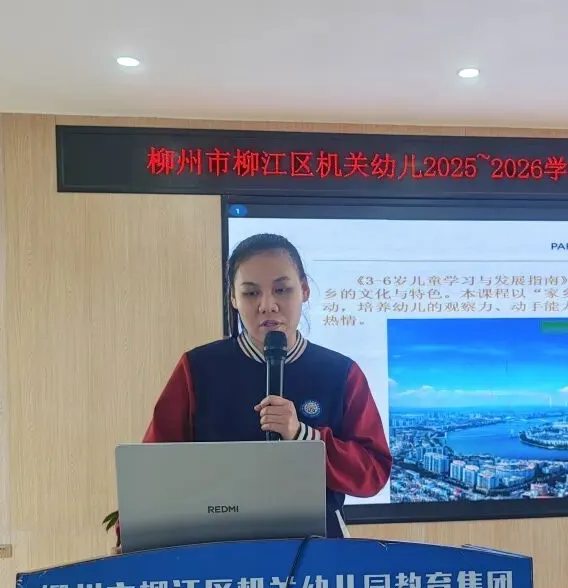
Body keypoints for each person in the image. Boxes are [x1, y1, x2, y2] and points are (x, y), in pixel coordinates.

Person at [114, 233, 392, 547]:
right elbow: (154, 468)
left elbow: (373, 473)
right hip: (215, 550)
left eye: (282, 290)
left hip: (315, 553)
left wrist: (302, 436)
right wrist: (130, 537)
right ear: (233, 299)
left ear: (304, 290)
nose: (267, 306)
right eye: (250, 293)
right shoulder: (198, 368)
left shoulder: (340, 373)